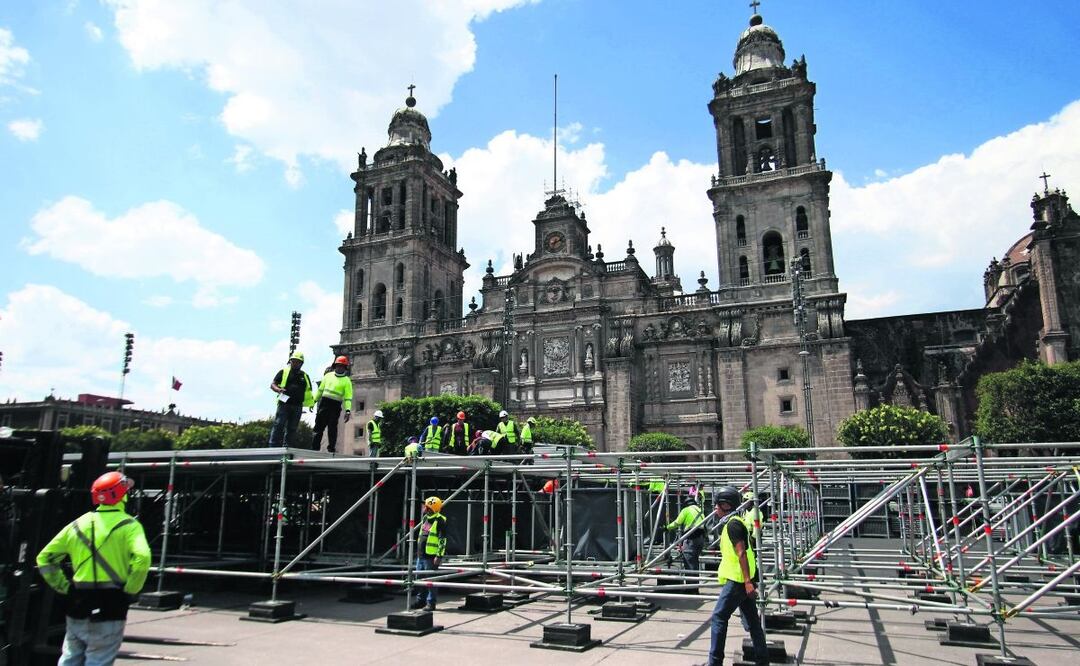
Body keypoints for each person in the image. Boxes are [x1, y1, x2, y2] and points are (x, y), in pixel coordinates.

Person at [36, 472, 152, 666]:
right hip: (111, 603)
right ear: (121, 496)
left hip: (78, 600)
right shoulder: (130, 526)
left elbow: (45, 558)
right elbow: (143, 557)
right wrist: (132, 589)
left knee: (70, 656)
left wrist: (63, 587)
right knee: (99, 659)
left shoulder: (77, 525)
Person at [708, 485, 769, 666]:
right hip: (743, 580)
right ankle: (762, 659)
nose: (715, 509)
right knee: (753, 622)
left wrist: (748, 582)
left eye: (717, 505)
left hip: (738, 581)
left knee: (719, 618)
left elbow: (742, 553)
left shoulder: (733, 524)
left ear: (726, 505)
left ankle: (715, 662)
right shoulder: (736, 522)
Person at [269, 351, 313, 447]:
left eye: (298, 361)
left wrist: (311, 404)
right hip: (284, 403)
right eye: (294, 361)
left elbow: (309, 391)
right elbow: (273, 384)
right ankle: (273, 446)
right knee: (279, 425)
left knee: (292, 428)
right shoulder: (283, 372)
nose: (296, 363)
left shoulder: (304, 376)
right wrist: (278, 390)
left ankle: (287, 447)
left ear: (301, 363)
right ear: (290, 361)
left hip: (297, 405)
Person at [411, 496, 447, 611]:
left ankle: (431, 603)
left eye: (425, 506)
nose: (423, 507)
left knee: (431, 580)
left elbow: (442, 540)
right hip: (421, 555)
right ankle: (420, 601)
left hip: (431, 557)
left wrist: (439, 555)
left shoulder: (440, 520)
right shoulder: (425, 518)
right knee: (420, 579)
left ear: (431, 508)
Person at [311, 355, 353, 454]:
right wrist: (314, 401)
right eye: (338, 365)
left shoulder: (347, 381)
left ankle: (331, 449)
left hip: (336, 405)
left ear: (345, 368)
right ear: (335, 366)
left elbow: (348, 398)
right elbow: (320, 390)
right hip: (324, 403)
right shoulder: (327, 376)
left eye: (342, 366)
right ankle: (314, 448)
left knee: (332, 428)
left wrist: (347, 411)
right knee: (318, 427)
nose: (340, 367)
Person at [666, 495, 706, 574]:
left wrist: (666, 527)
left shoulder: (686, 510)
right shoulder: (699, 510)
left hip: (691, 538)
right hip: (701, 538)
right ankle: (695, 584)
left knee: (689, 564)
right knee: (694, 562)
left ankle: (690, 585)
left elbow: (677, 523)